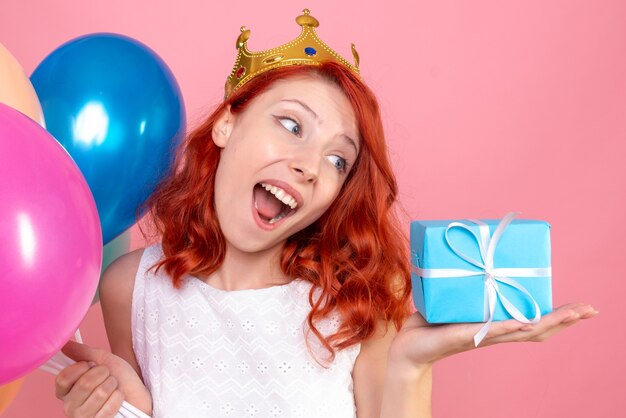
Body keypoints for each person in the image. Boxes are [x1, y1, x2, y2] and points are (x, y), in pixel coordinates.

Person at [54, 9, 597, 418]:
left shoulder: (358, 296)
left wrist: (412, 361)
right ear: (226, 125)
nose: (312, 167)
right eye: (291, 126)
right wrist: (122, 410)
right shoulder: (132, 288)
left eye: (338, 159)